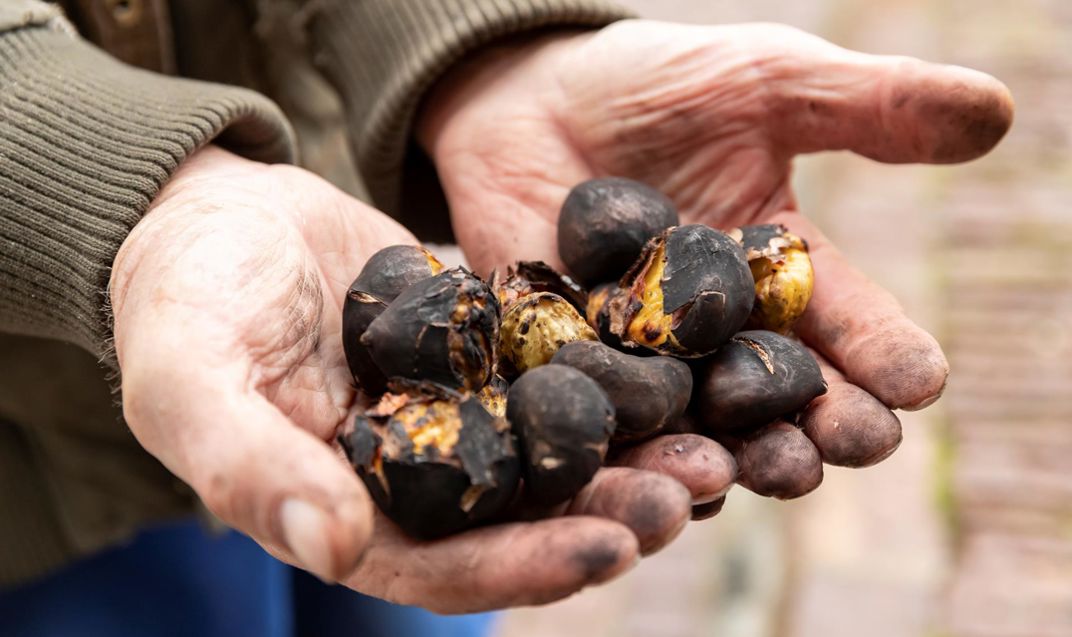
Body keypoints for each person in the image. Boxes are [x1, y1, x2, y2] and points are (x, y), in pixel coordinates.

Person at [0, 0, 1013, 635]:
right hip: (39, 474)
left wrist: (476, 38)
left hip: (316, 286)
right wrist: (122, 185)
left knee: (414, 585)